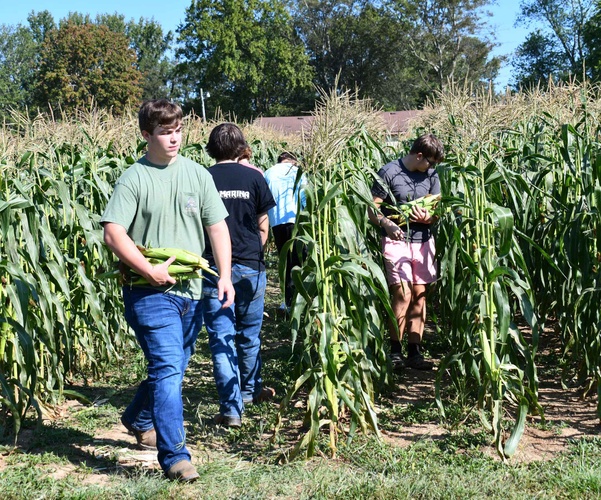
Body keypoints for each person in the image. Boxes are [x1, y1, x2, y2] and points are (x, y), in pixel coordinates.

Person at [101, 99, 234, 483]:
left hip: (192, 292)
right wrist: (148, 269)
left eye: (178, 130)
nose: (174, 138)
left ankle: (137, 417)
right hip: (147, 292)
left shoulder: (197, 174)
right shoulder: (135, 178)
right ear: (147, 134)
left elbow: (217, 228)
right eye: (165, 132)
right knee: (168, 368)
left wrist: (223, 275)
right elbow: (113, 232)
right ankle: (175, 455)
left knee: (171, 368)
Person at [202, 123, 277, 428]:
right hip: (250, 267)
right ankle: (249, 391)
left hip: (211, 268)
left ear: (211, 148)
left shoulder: (202, 177)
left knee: (222, 338)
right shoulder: (254, 177)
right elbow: (263, 225)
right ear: (241, 147)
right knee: (249, 335)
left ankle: (231, 409)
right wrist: (251, 253)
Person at [368, 134, 444, 371]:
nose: (431, 167)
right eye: (430, 162)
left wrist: (430, 216)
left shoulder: (431, 175)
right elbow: (372, 208)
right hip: (397, 239)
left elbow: (439, 208)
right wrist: (387, 224)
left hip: (423, 240)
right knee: (403, 293)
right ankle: (395, 351)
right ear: (419, 155)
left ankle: (415, 352)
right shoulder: (389, 172)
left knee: (420, 294)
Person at [263, 152, 305, 310]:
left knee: (285, 261)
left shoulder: (269, 172)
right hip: (297, 221)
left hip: (277, 223)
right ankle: (300, 301)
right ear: (293, 161)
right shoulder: (298, 172)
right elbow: (305, 199)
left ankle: (287, 302)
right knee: (300, 262)